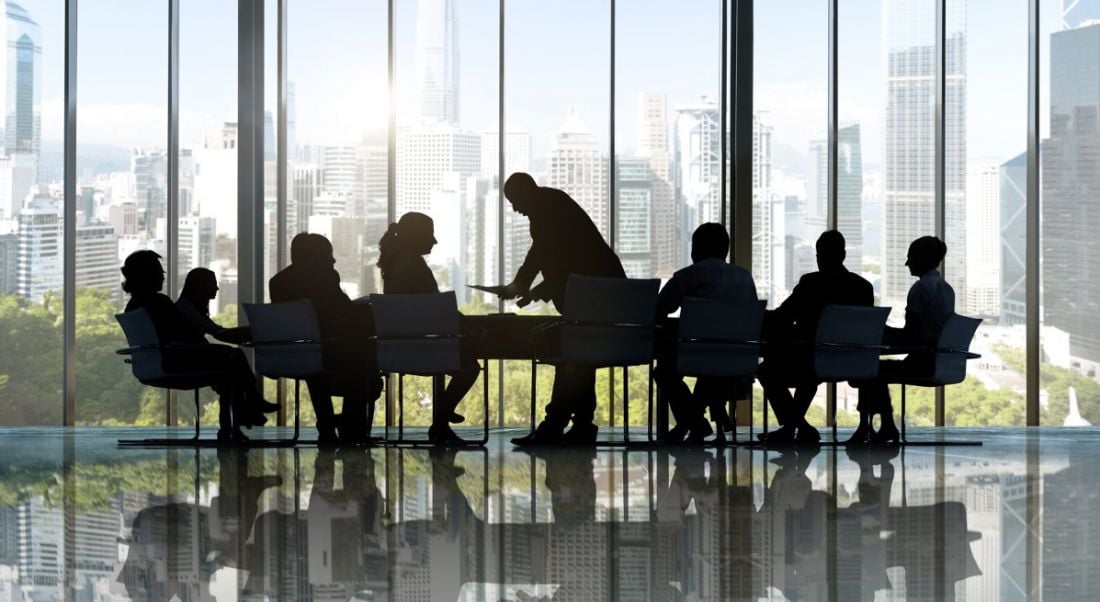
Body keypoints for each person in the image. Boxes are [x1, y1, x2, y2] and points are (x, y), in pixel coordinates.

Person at [500, 172, 626, 445]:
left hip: (592, 293)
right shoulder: (550, 205)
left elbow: (565, 261)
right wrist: (523, 284)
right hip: (600, 293)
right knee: (579, 356)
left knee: (569, 353)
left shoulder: (547, 212)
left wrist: (529, 287)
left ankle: (556, 423)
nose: (514, 209)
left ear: (526, 193)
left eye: (514, 201)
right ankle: (578, 424)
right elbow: (549, 253)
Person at [120, 250, 277, 441]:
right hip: (176, 361)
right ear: (148, 275)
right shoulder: (159, 302)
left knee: (230, 365)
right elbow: (184, 333)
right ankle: (243, 413)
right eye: (159, 272)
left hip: (162, 361)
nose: (163, 276)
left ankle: (244, 413)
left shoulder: (134, 305)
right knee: (233, 359)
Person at [758, 230, 874, 445]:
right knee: (807, 371)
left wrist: (756, 316)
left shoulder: (811, 283)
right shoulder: (863, 288)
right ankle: (797, 426)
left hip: (811, 359)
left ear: (820, 256)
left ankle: (796, 426)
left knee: (766, 370)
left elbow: (783, 316)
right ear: (844, 254)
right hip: (852, 361)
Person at [269, 233, 383, 444]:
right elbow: (341, 310)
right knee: (364, 365)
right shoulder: (326, 277)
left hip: (293, 353)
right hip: (331, 352)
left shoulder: (278, 282)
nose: (333, 260)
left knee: (320, 367)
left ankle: (330, 424)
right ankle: (350, 427)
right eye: (328, 255)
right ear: (314, 258)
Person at [377, 212, 480, 444]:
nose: (434, 241)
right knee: (469, 367)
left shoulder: (394, 266)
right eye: (430, 235)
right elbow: (435, 308)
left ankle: (442, 416)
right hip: (426, 349)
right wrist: (469, 324)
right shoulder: (414, 265)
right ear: (416, 237)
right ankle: (441, 418)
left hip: (401, 350)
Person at [653, 223, 758, 443]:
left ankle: (693, 423)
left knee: (664, 372)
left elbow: (659, 309)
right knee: (713, 367)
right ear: (725, 250)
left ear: (696, 249)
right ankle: (708, 416)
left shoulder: (688, 277)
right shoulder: (744, 278)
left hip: (698, 356)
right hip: (738, 361)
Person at [852, 236, 954, 445]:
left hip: (922, 362)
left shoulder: (920, 289)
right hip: (939, 360)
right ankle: (882, 425)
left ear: (922, 259)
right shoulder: (947, 289)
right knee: (873, 371)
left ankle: (872, 426)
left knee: (869, 370)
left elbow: (911, 336)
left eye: (910, 257)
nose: (907, 263)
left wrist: (881, 331)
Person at [177, 268, 250, 345]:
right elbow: (217, 331)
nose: (217, 288)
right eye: (213, 284)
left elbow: (217, 331)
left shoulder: (186, 306)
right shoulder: (187, 309)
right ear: (201, 285)